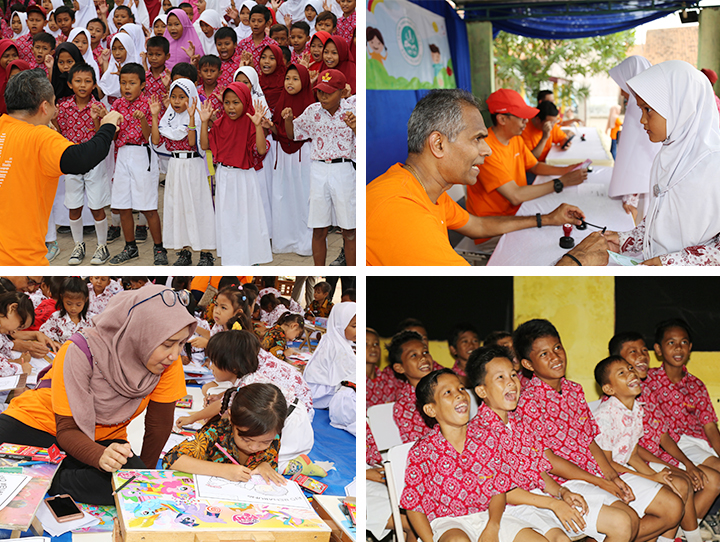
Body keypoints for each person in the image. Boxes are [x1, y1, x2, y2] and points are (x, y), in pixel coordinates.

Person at [0, 284, 197, 505]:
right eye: (168, 344)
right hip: (37, 422)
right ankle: (48, 468)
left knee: (130, 485)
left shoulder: (167, 362)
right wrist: (97, 456)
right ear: (139, 332)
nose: (174, 355)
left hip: (105, 441)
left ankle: (47, 474)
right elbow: (67, 429)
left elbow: (158, 426)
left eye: (181, 343)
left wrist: (144, 479)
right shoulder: (81, 349)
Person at [366, 89, 591, 266]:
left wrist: (548, 219)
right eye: (477, 139)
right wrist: (578, 259)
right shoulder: (401, 211)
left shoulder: (429, 189)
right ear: (438, 144)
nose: (487, 150)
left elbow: (478, 225)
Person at [513, 319, 641, 540]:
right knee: (622, 523)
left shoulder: (574, 390)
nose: (555, 357)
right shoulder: (528, 402)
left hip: (591, 475)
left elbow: (589, 440)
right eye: (544, 354)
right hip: (564, 482)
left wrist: (611, 477)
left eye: (557, 348)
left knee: (632, 518)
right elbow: (548, 460)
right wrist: (600, 482)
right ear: (528, 364)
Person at [466, 347, 596, 542]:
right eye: (500, 378)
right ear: (482, 390)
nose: (511, 382)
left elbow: (538, 471)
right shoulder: (477, 434)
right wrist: (553, 504)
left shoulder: (521, 422)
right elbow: (502, 493)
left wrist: (562, 492)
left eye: (512, 375)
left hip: (536, 500)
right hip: (504, 509)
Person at [400, 368, 544, 542]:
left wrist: (492, 526)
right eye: (448, 392)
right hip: (448, 523)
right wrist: (430, 540)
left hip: (490, 516)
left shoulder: (487, 437)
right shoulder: (422, 451)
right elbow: (414, 506)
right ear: (431, 410)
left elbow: (499, 489)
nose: (460, 395)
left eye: (461, 389)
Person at [0, 70, 121, 266]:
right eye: (54, 102)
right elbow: (83, 159)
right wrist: (107, 126)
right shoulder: (39, 137)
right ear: (44, 106)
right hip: (20, 257)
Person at [606, 60, 720, 265]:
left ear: (679, 106)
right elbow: (659, 220)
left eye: (648, 109)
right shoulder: (667, 155)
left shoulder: (715, 166)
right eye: (640, 109)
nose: (642, 120)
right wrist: (627, 240)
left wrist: (671, 262)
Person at [468, 89, 588, 249]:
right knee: (548, 244)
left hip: (519, 212)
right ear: (502, 119)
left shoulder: (515, 139)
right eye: (521, 117)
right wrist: (560, 182)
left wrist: (566, 170)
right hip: (493, 227)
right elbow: (515, 195)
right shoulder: (486, 150)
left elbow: (534, 165)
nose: (526, 121)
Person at [593, 356, 692, 542]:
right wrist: (650, 477)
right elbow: (605, 465)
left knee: (675, 486)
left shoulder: (636, 409)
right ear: (609, 389)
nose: (631, 373)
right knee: (672, 506)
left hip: (623, 469)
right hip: (606, 476)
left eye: (630, 368)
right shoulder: (605, 416)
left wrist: (658, 476)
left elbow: (632, 454)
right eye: (622, 373)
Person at [286, 69, 356, 266]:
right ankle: (321, 270)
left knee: (349, 229)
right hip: (318, 171)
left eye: (329, 92)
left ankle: (352, 271)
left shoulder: (353, 112)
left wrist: (356, 128)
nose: (323, 96)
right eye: (320, 91)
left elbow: (362, 149)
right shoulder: (313, 111)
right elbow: (294, 134)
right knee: (319, 227)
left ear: (342, 93)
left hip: (343, 169)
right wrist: (288, 120)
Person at [199, 82, 271, 266]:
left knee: (246, 217)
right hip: (224, 175)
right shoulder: (220, 122)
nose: (231, 107)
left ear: (246, 101)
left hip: (245, 177)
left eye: (236, 102)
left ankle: (250, 256)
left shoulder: (252, 122)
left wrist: (258, 127)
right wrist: (204, 122)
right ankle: (232, 257)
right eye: (227, 102)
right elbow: (205, 145)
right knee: (228, 218)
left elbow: (261, 150)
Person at [163, 383, 287, 485]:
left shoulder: (273, 438)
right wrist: (223, 470)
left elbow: (268, 471)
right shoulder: (216, 433)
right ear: (231, 418)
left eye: (265, 442)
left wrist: (264, 466)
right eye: (246, 440)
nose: (254, 448)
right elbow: (171, 460)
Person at [150, 80, 217, 266]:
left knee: (198, 206)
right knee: (177, 207)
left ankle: (205, 253)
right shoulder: (167, 118)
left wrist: (191, 119)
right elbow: (156, 140)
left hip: (193, 165)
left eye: (182, 97)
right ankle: (184, 251)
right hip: (175, 166)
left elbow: (190, 142)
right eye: (174, 97)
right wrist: (155, 116)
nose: (177, 101)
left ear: (192, 98)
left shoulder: (196, 116)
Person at [108, 63, 167, 266]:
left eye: (132, 83)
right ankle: (130, 247)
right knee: (123, 206)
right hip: (123, 154)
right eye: (123, 83)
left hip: (143, 154)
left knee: (148, 206)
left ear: (142, 84)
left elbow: (149, 136)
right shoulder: (117, 105)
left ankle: (159, 248)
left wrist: (145, 118)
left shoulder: (149, 104)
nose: (127, 87)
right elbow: (113, 135)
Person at [645, 319, 720, 474]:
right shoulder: (648, 380)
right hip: (677, 443)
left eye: (684, 342)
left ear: (690, 347)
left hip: (702, 443)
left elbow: (710, 426)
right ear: (658, 349)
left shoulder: (696, 384)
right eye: (671, 343)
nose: (678, 348)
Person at [55, 63, 112, 266]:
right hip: (71, 161)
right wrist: (53, 120)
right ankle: (78, 245)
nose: (82, 85)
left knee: (97, 206)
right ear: (70, 84)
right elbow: (60, 131)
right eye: (78, 81)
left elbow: (102, 136)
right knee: (74, 206)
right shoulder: (62, 107)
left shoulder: (99, 108)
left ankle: (102, 246)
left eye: (88, 81)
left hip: (93, 162)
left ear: (94, 84)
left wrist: (98, 118)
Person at [267, 63, 314, 256]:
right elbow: (280, 132)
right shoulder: (281, 100)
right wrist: (270, 126)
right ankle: (285, 241)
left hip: (302, 155)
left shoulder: (311, 105)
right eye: (287, 78)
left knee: (303, 197)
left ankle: (305, 242)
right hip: (283, 155)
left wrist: (289, 122)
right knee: (283, 196)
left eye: (295, 79)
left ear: (304, 81)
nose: (290, 83)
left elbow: (300, 133)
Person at [608, 56, 660, 223]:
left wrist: (631, 195)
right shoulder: (642, 104)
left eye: (621, 83)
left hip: (640, 191)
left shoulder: (640, 109)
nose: (620, 89)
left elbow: (640, 157)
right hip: (641, 188)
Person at [303, 301, 355, 409]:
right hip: (323, 394)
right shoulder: (339, 348)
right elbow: (348, 374)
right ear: (340, 325)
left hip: (315, 389)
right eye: (354, 326)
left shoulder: (330, 338)